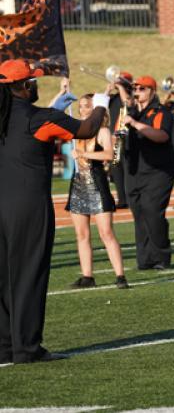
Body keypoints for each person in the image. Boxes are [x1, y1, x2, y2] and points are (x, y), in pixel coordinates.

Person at [0, 58, 108, 364]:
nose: (36, 84)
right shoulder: (39, 118)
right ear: (23, 86)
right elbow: (86, 130)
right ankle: (27, 347)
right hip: (28, 206)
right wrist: (101, 103)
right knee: (29, 275)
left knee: (3, 278)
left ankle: (5, 345)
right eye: (32, 81)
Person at [65, 94, 129, 289]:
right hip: (78, 184)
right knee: (82, 234)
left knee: (106, 233)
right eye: (81, 107)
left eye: (87, 106)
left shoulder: (101, 131)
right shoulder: (77, 130)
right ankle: (87, 277)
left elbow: (109, 154)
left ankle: (120, 276)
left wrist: (84, 153)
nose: (83, 110)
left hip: (97, 182)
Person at [117, 75, 174, 270]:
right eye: (135, 88)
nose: (137, 92)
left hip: (158, 171)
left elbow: (161, 136)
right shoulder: (131, 111)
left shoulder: (161, 112)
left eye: (142, 89)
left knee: (153, 212)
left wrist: (135, 124)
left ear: (152, 91)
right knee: (139, 214)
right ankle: (145, 259)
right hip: (134, 169)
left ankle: (161, 256)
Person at [108, 71, 134, 209]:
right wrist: (109, 88)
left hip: (129, 136)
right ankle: (122, 199)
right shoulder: (112, 98)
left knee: (128, 167)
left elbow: (127, 104)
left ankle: (131, 198)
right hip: (116, 137)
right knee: (116, 168)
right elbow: (100, 102)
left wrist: (121, 88)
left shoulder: (131, 96)